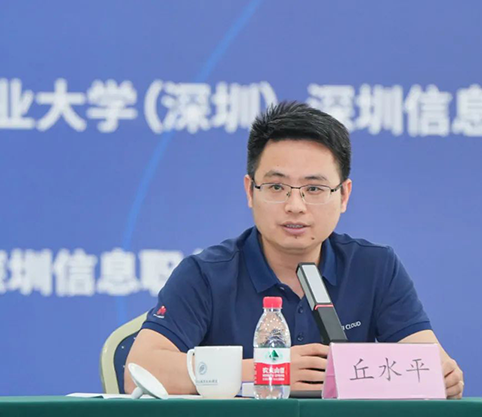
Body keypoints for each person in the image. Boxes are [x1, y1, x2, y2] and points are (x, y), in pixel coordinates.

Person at [125, 102, 464, 398]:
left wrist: (442, 376)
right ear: (250, 191)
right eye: (277, 187)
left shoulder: (374, 267)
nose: (295, 206)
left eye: (314, 189)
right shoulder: (206, 274)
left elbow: (428, 362)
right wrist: (268, 370)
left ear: (344, 195)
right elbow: (139, 370)